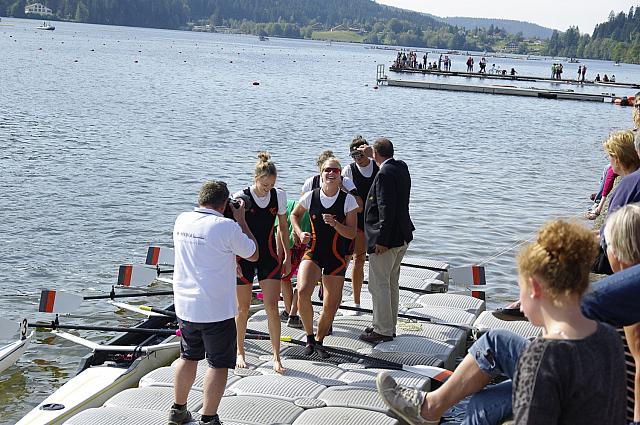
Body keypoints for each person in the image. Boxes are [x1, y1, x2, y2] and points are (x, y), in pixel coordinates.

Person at [376, 219, 626, 425]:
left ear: (535, 288)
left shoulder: (541, 356)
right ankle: (430, 409)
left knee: (480, 407)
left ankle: (429, 410)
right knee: (483, 401)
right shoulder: (606, 336)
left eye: (520, 288)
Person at [169, 181, 258, 425]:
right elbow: (253, 253)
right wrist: (241, 219)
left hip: (186, 306)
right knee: (218, 365)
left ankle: (177, 411)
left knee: (188, 357)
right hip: (216, 310)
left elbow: (206, 252)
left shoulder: (182, 220)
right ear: (224, 203)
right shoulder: (227, 226)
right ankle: (208, 419)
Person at [291, 157, 358, 358]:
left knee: (331, 304)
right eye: (327, 170)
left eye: (335, 171)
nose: (331, 174)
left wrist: (336, 224)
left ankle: (319, 340)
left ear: (340, 176)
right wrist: (299, 233)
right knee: (302, 291)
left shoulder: (348, 200)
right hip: (313, 252)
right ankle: (309, 337)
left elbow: (352, 233)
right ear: (321, 174)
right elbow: (294, 215)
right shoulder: (311, 196)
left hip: (336, 257)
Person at [234, 153, 290, 374]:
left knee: (272, 308)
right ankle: (240, 351)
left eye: (272, 184)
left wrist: (286, 255)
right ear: (256, 178)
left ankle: (276, 356)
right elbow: (230, 232)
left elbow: (283, 228)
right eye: (265, 184)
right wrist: (232, 261)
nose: (268, 188)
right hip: (244, 258)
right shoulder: (241, 197)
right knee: (243, 308)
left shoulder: (279, 196)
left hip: (269, 256)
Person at [357, 138, 414, 344]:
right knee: (391, 282)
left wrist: (381, 240)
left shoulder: (383, 174)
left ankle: (382, 329)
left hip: (387, 241)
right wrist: (375, 153)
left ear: (376, 154)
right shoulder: (401, 167)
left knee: (378, 284)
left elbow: (385, 209)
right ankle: (388, 324)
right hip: (402, 235)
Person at [342, 136, 379, 309]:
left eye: (361, 155)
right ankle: (356, 302)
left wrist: (372, 155)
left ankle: (377, 298)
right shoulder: (348, 171)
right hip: (356, 220)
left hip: (375, 219)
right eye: (354, 155)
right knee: (357, 259)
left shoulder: (378, 166)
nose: (358, 159)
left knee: (373, 260)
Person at [277, 199, 309, 329]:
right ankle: (292, 313)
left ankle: (291, 313)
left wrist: (282, 258)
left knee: (284, 278)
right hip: (308, 242)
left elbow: (279, 232)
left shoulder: (284, 206)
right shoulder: (288, 205)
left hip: (293, 245)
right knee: (302, 279)